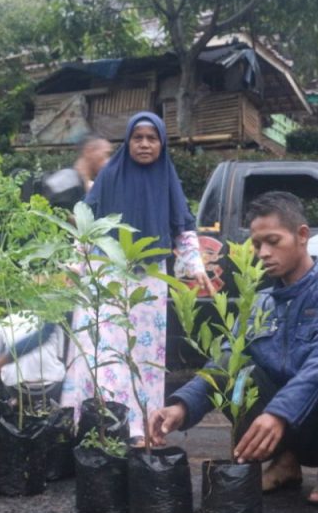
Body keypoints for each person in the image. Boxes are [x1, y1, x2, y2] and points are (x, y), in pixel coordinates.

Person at [147, 191, 318, 505]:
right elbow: (224, 361)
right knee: (240, 372)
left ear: (302, 236)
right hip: (283, 429)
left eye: (273, 241)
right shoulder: (259, 302)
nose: (263, 252)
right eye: (257, 244)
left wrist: (279, 413)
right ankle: (286, 462)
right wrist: (180, 407)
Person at [61, 112, 212, 442]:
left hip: (149, 280)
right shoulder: (109, 177)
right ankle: (98, 427)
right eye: (137, 138)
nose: (144, 144)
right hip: (106, 275)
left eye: (152, 138)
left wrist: (195, 266)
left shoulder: (166, 179)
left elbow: (182, 225)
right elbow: (87, 222)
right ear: (128, 142)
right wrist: (76, 265)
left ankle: (139, 427)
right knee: (102, 351)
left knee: (143, 356)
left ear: (161, 143)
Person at [0, 313, 67, 407]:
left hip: (18, 389)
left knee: (4, 375)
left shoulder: (4, 323)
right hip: (52, 387)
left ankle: (14, 403)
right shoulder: (52, 321)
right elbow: (59, 356)